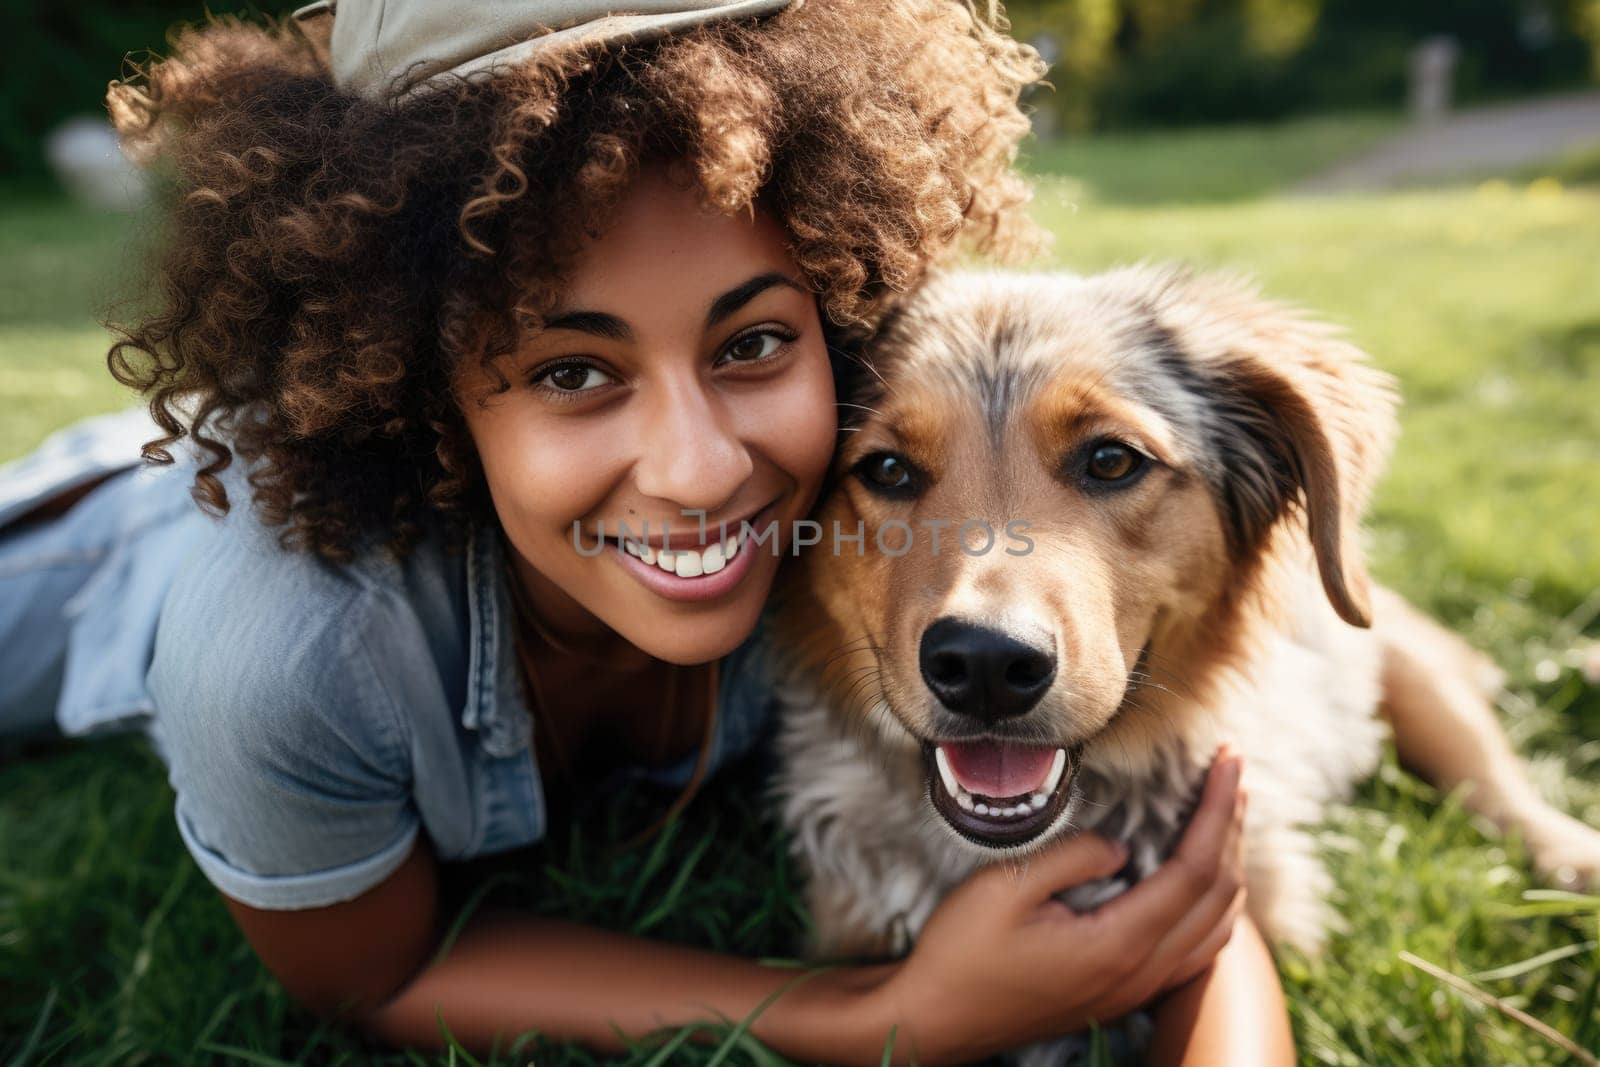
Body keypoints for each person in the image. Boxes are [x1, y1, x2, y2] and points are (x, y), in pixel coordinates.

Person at [0, 1, 1290, 1063]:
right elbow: (378, 974)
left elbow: (1169, 838)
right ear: (421, 391)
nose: (697, 473)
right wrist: (880, 1015)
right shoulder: (287, 656)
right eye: (572, 368)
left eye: (754, 342)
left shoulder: (854, 518)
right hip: (110, 549)